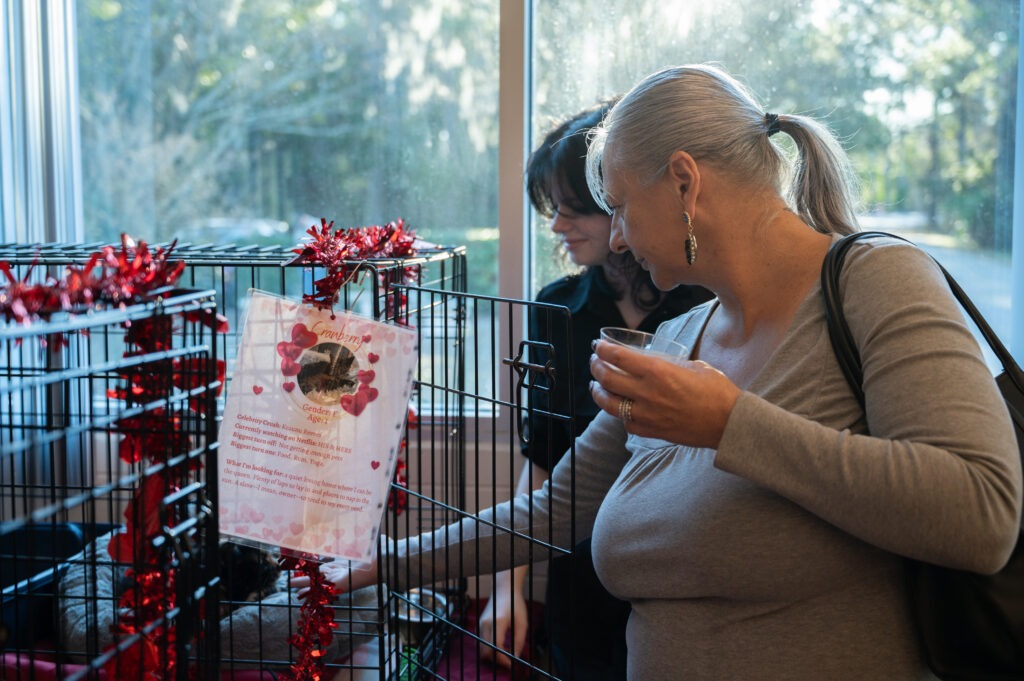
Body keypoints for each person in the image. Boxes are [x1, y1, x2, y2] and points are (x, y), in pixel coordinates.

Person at [298, 64, 1022, 680]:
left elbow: (981, 513)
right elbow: (553, 513)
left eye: (619, 207)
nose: (615, 235)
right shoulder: (674, 340)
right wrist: (372, 564)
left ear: (684, 182)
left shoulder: (876, 279)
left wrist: (732, 424)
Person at [475, 101, 712, 678]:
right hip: (578, 568)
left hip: (681, 572)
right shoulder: (556, 308)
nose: (557, 226)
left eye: (573, 209)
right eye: (552, 209)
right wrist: (507, 588)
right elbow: (543, 456)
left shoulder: (708, 305)